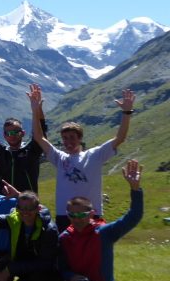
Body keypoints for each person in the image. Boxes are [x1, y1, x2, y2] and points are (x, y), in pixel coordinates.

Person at [49, 160, 144, 281]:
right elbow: (62, 267)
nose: (77, 219)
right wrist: (70, 276)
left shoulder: (104, 233)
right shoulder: (65, 237)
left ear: (92, 213)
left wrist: (135, 189)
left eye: (82, 214)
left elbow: (133, 217)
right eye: (72, 215)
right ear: (68, 215)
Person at [28, 83, 135, 231]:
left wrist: (127, 113)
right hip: (64, 216)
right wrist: (35, 111)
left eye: (72, 137)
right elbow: (39, 137)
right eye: (65, 138)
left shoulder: (95, 155)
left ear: (80, 138)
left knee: (93, 253)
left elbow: (120, 138)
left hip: (91, 215)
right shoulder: (59, 158)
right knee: (66, 253)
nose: (68, 142)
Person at [0, 85, 48, 193]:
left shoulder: (32, 151)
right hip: (3, 203)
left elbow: (41, 130)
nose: (11, 135)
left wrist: (37, 109)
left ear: (22, 133)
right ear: (4, 136)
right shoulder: (1, 152)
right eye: (8, 133)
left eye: (15, 132)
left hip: (27, 205)